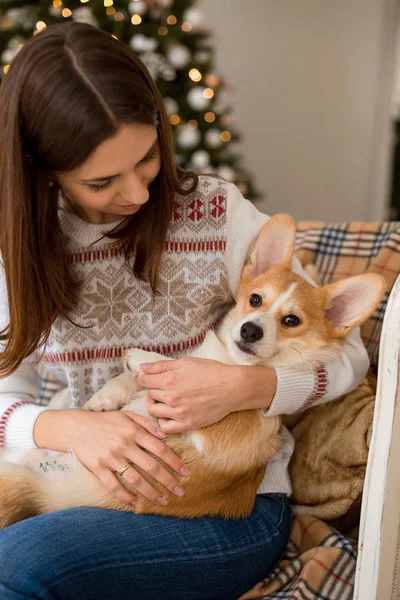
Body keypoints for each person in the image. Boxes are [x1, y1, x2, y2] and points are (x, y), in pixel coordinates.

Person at [0, 22, 369, 600]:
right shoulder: (17, 249)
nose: (140, 194)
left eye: (147, 158)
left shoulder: (217, 213)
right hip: (85, 489)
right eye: (102, 181)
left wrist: (248, 388)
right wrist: (69, 427)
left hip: (222, 513)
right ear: (41, 169)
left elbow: (345, 354)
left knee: (16, 563)